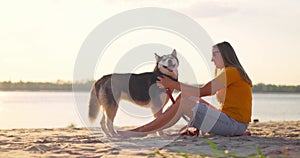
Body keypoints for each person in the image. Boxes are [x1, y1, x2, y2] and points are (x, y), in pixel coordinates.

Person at [118, 41, 252, 137]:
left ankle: (142, 131)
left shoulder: (232, 72)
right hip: (230, 121)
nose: (212, 59)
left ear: (224, 54)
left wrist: (172, 84)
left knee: (184, 102)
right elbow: (201, 95)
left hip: (234, 125)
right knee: (184, 97)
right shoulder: (229, 71)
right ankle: (152, 127)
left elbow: (204, 91)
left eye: (214, 54)